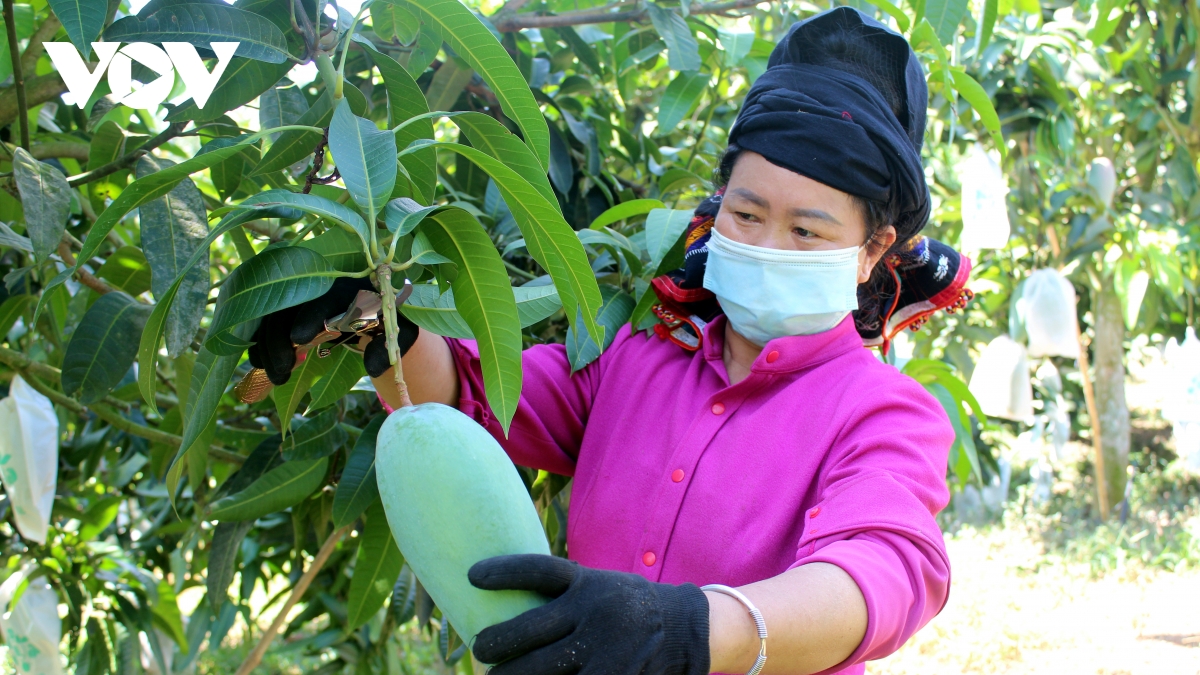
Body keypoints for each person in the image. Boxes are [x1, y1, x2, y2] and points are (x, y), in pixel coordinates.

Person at [249, 7, 975, 674]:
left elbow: (881, 571)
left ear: (873, 250)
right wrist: (378, 319)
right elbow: (470, 399)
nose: (766, 243)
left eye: (806, 230)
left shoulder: (883, 411)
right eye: (747, 214)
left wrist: (687, 628)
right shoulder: (639, 354)